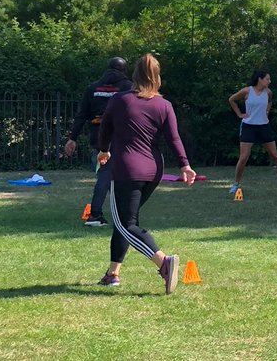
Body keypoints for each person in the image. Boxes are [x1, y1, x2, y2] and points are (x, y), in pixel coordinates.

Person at [96, 53, 195, 293]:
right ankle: (113, 273)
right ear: (157, 77)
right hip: (153, 170)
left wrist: (103, 150)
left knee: (125, 224)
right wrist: (185, 165)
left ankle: (164, 263)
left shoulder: (120, 100)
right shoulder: (164, 105)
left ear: (134, 75)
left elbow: (105, 129)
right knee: (127, 221)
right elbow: (174, 138)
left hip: (127, 169)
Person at [65, 57, 132, 227]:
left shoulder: (93, 88)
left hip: (99, 137)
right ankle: (95, 214)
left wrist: (72, 138)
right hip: (120, 137)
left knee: (108, 175)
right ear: (124, 70)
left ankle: (120, 212)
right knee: (109, 175)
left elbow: (81, 115)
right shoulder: (128, 87)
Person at [228, 70, 277, 196]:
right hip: (248, 126)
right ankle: (236, 184)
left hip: (264, 126)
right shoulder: (247, 91)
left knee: (274, 155)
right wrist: (239, 114)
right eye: (267, 79)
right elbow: (231, 99)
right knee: (244, 157)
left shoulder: (268, 92)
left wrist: (266, 112)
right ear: (260, 79)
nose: (269, 81)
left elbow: (270, 102)